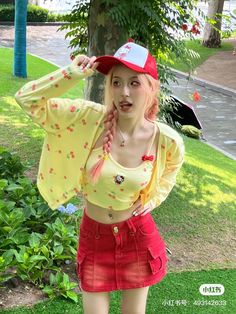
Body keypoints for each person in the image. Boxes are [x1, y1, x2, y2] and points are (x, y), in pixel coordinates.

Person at [15, 40, 184, 314]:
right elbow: (27, 100)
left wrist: (155, 199)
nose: (124, 92)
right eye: (116, 82)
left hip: (137, 236)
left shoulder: (167, 141)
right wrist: (72, 73)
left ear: (151, 88)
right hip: (94, 237)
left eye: (134, 83)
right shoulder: (88, 119)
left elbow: (170, 173)